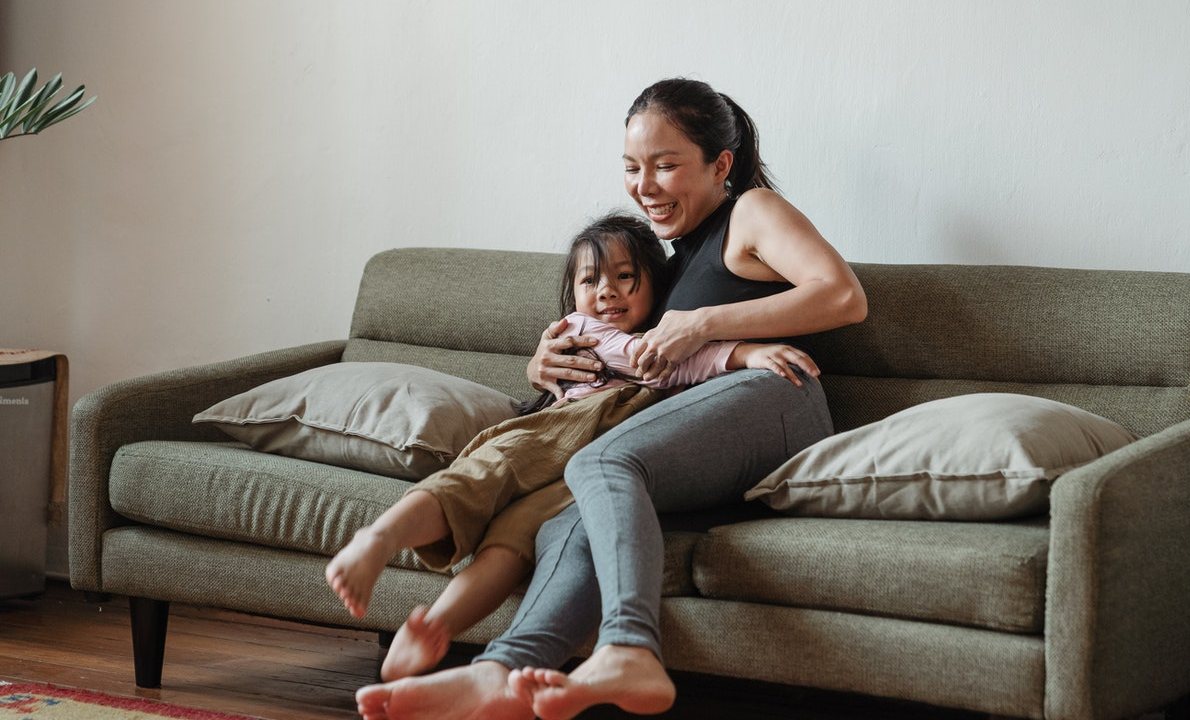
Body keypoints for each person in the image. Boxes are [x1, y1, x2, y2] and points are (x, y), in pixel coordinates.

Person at [354, 77, 867, 720]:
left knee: (596, 464)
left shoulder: (752, 211)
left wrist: (705, 325)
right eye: (631, 167)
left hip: (778, 398)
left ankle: (630, 647)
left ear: (722, 164)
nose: (644, 185)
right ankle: (501, 671)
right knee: (570, 516)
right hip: (702, 434)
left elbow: (843, 296)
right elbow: (621, 348)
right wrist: (547, 363)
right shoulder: (668, 257)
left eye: (665, 165)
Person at [325, 212, 811, 682]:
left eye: (625, 276)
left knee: (519, 534)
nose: (607, 292)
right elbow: (654, 360)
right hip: (567, 423)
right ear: (573, 295)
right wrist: (739, 352)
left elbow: (688, 365)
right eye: (591, 281)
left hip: (607, 448)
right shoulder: (579, 330)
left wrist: (746, 353)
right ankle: (379, 538)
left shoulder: (664, 335)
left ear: (655, 284)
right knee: (486, 475)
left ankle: (439, 625)